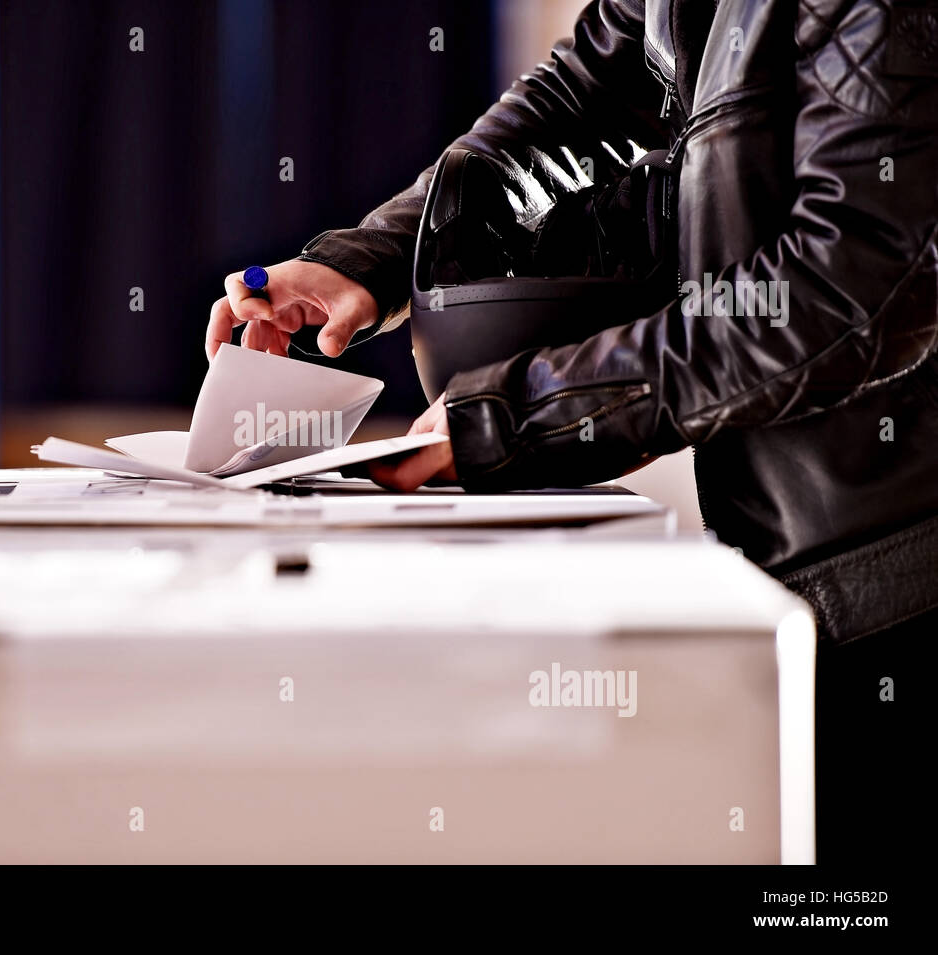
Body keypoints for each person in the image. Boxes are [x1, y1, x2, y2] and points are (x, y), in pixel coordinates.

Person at [207, 0, 936, 864]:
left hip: (898, 583)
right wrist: (364, 258)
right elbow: (579, 100)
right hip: (791, 574)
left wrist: (520, 415)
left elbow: (852, 292)